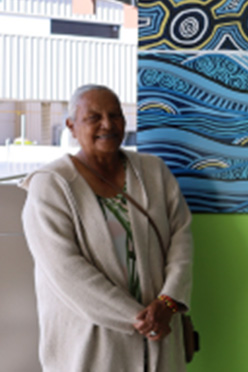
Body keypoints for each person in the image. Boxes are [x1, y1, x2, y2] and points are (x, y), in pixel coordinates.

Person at [20, 84, 194, 372]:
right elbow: (65, 270)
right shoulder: (50, 184)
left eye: (115, 115)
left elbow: (181, 237)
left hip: (160, 336)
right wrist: (140, 319)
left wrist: (168, 303)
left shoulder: (154, 171)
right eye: (94, 117)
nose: (107, 124)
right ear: (71, 126)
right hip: (92, 344)